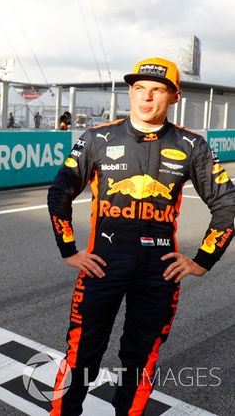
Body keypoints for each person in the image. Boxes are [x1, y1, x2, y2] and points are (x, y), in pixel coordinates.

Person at [47, 57, 235, 415]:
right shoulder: (97, 138)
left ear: (174, 97)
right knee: (81, 354)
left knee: (140, 359)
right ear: (130, 92)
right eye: (139, 89)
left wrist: (202, 261)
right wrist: (68, 248)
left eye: (157, 90)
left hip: (160, 272)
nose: (146, 98)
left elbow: (227, 202)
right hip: (102, 265)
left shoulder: (192, 145)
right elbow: (59, 193)